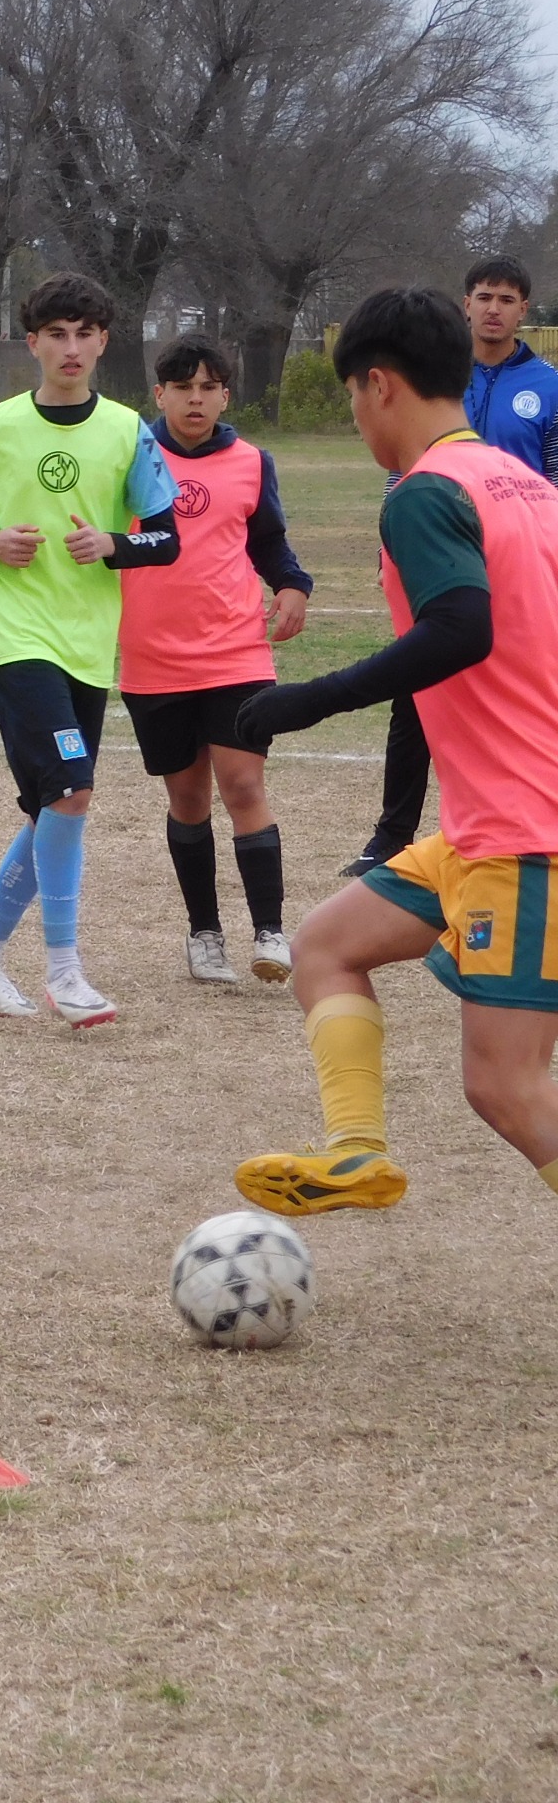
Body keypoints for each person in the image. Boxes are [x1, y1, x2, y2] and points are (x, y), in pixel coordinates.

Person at [227, 285, 558, 1217]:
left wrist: (309, 700)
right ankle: (357, 1153)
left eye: (351, 400)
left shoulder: (425, 494)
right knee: (327, 946)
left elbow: (461, 628)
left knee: (508, 1086)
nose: (358, 420)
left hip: (524, 834)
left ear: (378, 385)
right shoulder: (528, 486)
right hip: (487, 826)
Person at [0, 272, 180, 1027]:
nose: (70, 347)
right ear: (31, 343)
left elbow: (166, 537)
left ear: (103, 341)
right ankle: (66, 971)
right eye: (55, 334)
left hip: (89, 643)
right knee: (72, 791)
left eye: (84, 333)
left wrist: (116, 543)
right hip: (16, 637)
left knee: (51, 807)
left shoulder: (129, 431)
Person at [345, 255, 558, 878]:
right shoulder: (438, 374)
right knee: (418, 692)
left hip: (512, 554)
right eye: (484, 295)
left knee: (488, 681)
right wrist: (393, 545)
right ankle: (392, 837)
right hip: (438, 544)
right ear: (465, 303)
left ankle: (506, 832)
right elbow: (405, 466)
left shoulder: (547, 385)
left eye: (507, 298)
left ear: (525, 310)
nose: (494, 307)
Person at [120, 335, 313, 987]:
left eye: (208, 387)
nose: (195, 398)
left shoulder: (252, 462)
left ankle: (270, 931)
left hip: (237, 653)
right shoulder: (129, 456)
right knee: (189, 796)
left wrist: (292, 586)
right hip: (152, 660)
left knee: (244, 786)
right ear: (161, 394)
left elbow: (272, 545)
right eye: (182, 387)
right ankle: (204, 933)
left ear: (226, 394)